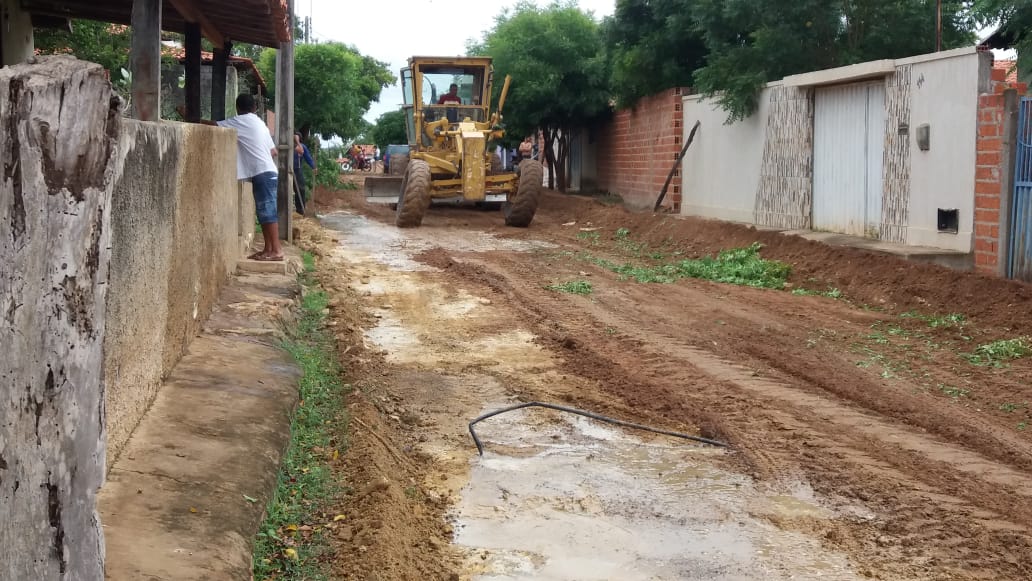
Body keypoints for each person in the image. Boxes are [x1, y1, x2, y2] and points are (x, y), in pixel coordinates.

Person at [180, 94, 282, 261]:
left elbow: (215, 125)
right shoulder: (260, 123)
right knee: (264, 213)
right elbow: (273, 151)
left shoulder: (241, 121)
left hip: (262, 173)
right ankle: (268, 249)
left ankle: (277, 250)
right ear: (255, 108)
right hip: (267, 171)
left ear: (238, 108)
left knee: (268, 212)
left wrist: (189, 117)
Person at [293, 132, 316, 216]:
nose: (296, 140)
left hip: (297, 170)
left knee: (300, 189)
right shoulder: (289, 146)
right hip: (286, 169)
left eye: (297, 138)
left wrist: (313, 166)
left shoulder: (302, 146)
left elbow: (308, 157)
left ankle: (300, 210)